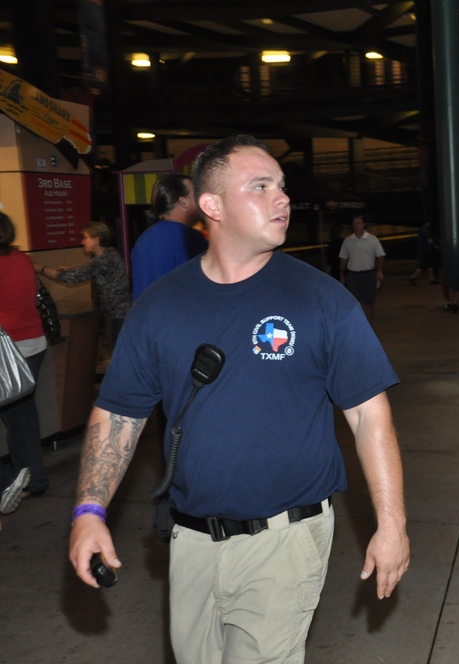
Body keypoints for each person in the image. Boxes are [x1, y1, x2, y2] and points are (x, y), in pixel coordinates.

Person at [67, 135, 409, 663]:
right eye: (261, 186)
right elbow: (118, 414)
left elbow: (369, 416)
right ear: (212, 206)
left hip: (285, 540)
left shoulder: (322, 300)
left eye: (282, 186)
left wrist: (393, 525)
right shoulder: (161, 306)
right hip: (191, 542)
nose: (282, 199)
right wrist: (90, 510)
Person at [0, 212, 48, 515]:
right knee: (23, 414)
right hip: (34, 345)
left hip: (8, 350)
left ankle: (14, 479)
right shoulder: (21, 259)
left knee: (15, 416)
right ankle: (35, 479)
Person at [35, 221, 131, 352]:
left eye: (85, 237)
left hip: (119, 315)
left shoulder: (103, 259)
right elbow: (90, 269)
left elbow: (74, 277)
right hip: (120, 313)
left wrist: (40, 268)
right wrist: (74, 268)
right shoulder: (110, 253)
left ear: (97, 239)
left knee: (120, 353)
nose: (82, 242)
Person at [131, 173, 208, 301]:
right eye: (195, 194)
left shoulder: (144, 238)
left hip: (147, 317)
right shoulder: (189, 237)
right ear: (183, 203)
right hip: (179, 317)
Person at [339, 215, 386, 322]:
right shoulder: (348, 240)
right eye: (354, 224)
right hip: (352, 276)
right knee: (353, 301)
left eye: (359, 223)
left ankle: (369, 325)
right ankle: (357, 324)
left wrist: (380, 271)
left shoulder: (372, 239)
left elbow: (380, 256)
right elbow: (343, 258)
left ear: (363, 224)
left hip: (368, 275)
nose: (356, 226)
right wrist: (342, 275)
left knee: (369, 301)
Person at [408, 220, 439, 285]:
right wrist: (435, 246)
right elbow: (429, 241)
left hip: (424, 250)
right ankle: (413, 277)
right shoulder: (424, 231)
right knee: (423, 266)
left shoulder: (422, 230)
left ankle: (432, 279)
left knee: (428, 265)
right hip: (426, 250)